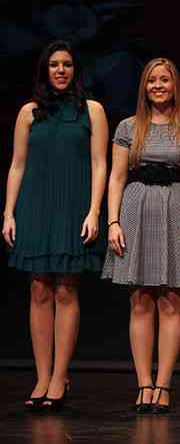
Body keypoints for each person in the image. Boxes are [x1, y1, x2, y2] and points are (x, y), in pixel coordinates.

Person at [2, 40, 108, 411]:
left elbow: (100, 163)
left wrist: (94, 211)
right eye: (53, 65)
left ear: (76, 70)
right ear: (45, 71)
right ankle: (42, 376)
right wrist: (9, 213)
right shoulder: (29, 112)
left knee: (65, 289)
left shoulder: (91, 110)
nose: (60, 70)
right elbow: (17, 165)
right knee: (38, 290)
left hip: (74, 205)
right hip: (35, 206)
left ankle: (60, 376)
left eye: (66, 64)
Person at [102, 58, 180, 414]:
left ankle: (163, 384)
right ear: (144, 87)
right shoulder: (128, 126)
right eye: (152, 80)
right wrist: (113, 221)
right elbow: (117, 176)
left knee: (170, 300)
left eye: (165, 80)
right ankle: (144, 384)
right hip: (136, 209)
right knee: (140, 300)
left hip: (179, 208)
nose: (158, 86)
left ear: (174, 84)